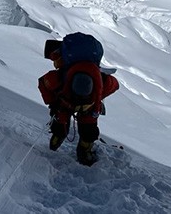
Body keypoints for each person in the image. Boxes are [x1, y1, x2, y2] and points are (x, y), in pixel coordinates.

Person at [38, 33, 119, 166]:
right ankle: (85, 156)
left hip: (64, 106)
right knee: (88, 133)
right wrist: (100, 97)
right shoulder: (102, 81)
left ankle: (52, 149)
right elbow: (114, 85)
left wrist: (53, 103)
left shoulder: (58, 79)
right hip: (90, 109)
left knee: (60, 128)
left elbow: (43, 83)